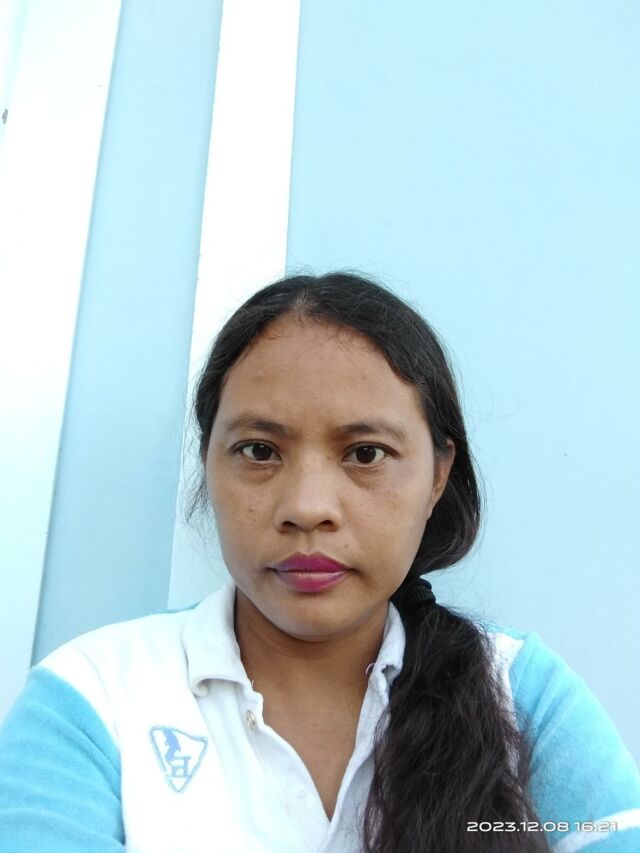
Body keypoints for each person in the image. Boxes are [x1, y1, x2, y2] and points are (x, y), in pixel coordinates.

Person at [0, 272, 638, 853]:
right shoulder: (93, 699)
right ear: (209, 463)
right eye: (259, 450)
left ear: (438, 476)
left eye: (365, 454)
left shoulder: (521, 694)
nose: (307, 508)